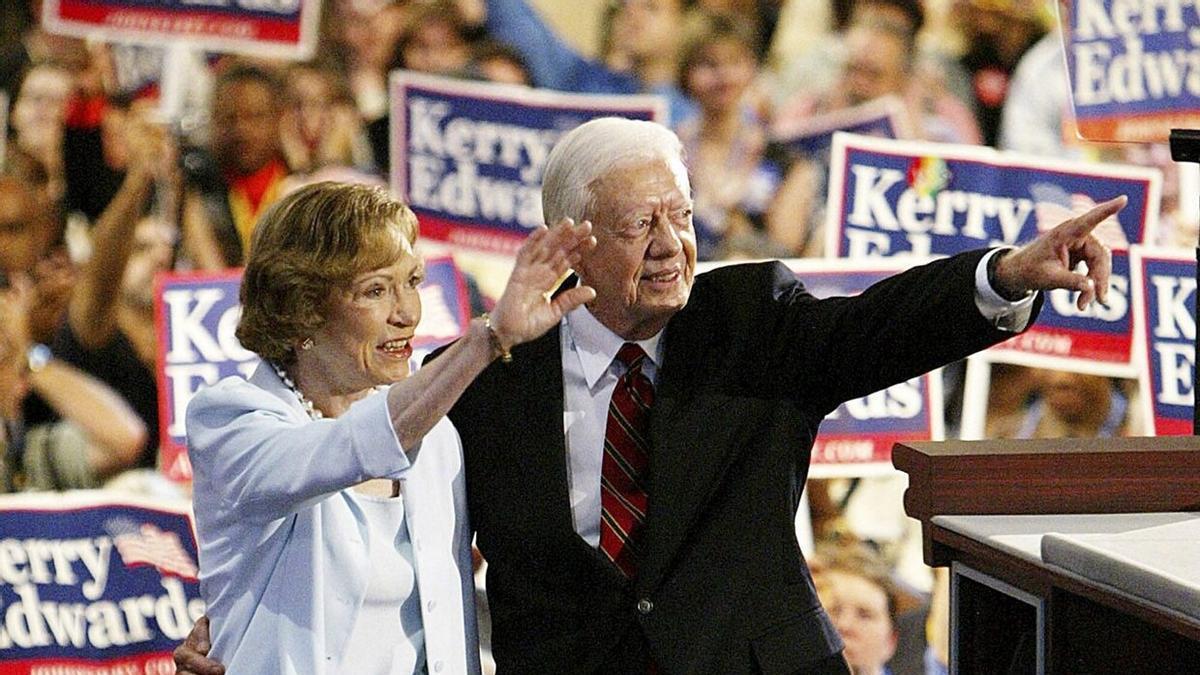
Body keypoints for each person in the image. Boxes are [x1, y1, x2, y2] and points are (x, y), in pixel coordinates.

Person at [179, 118, 1119, 673]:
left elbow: (882, 323)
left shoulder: (754, 317)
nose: (671, 243)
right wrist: (235, 609)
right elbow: (386, 530)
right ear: (573, 237)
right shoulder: (486, 383)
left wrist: (1005, 275)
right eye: (640, 223)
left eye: (681, 215)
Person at [185, 181, 596, 674]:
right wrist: (488, 340)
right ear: (303, 308)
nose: (408, 313)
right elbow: (347, 448)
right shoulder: (231, 419)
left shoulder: (438, 436)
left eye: (413, 282)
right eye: (375, 291)